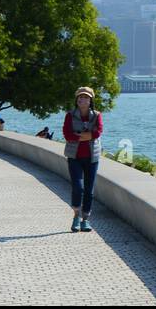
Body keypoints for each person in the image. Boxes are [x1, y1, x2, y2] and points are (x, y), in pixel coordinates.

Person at [61, 87, 102, 233]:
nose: (82, 99)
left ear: (90, 100)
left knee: (89, 190)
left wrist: (81, 135)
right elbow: (67, 134)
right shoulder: (70, 115)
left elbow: (98, 132)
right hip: (75, 157)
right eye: (79, 97)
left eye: (85, 97)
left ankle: (86, 219)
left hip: (92, 158)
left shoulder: (96, 115)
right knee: (78, 187)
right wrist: (84, 136)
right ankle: (76, 216)